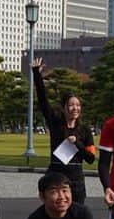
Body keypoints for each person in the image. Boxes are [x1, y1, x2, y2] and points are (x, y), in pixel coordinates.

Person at [31, 57, 96, 204]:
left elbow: (91, 159)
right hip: (56, 176)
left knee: (77, 215)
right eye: (71, 105)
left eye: (78, 105)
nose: (75, 108)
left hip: (76, 180)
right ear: (63, 107)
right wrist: (37, 74)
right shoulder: (56, 124)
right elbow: (43, 101)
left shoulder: (85, 130)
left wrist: (77, 144)